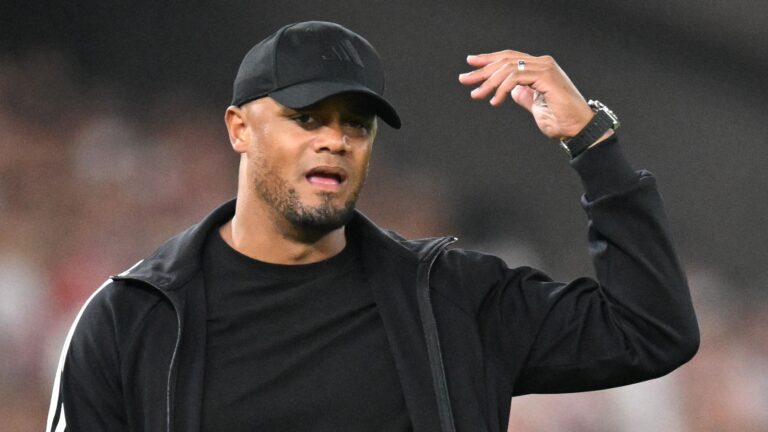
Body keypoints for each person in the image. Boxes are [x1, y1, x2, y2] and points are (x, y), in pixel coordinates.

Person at [46, 21, 699, 432]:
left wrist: (592, 140)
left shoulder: (451, 300)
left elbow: (651, 331)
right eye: (307, 118)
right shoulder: (133, 318)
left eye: (355, 124)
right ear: (239, 128)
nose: (335, 140)